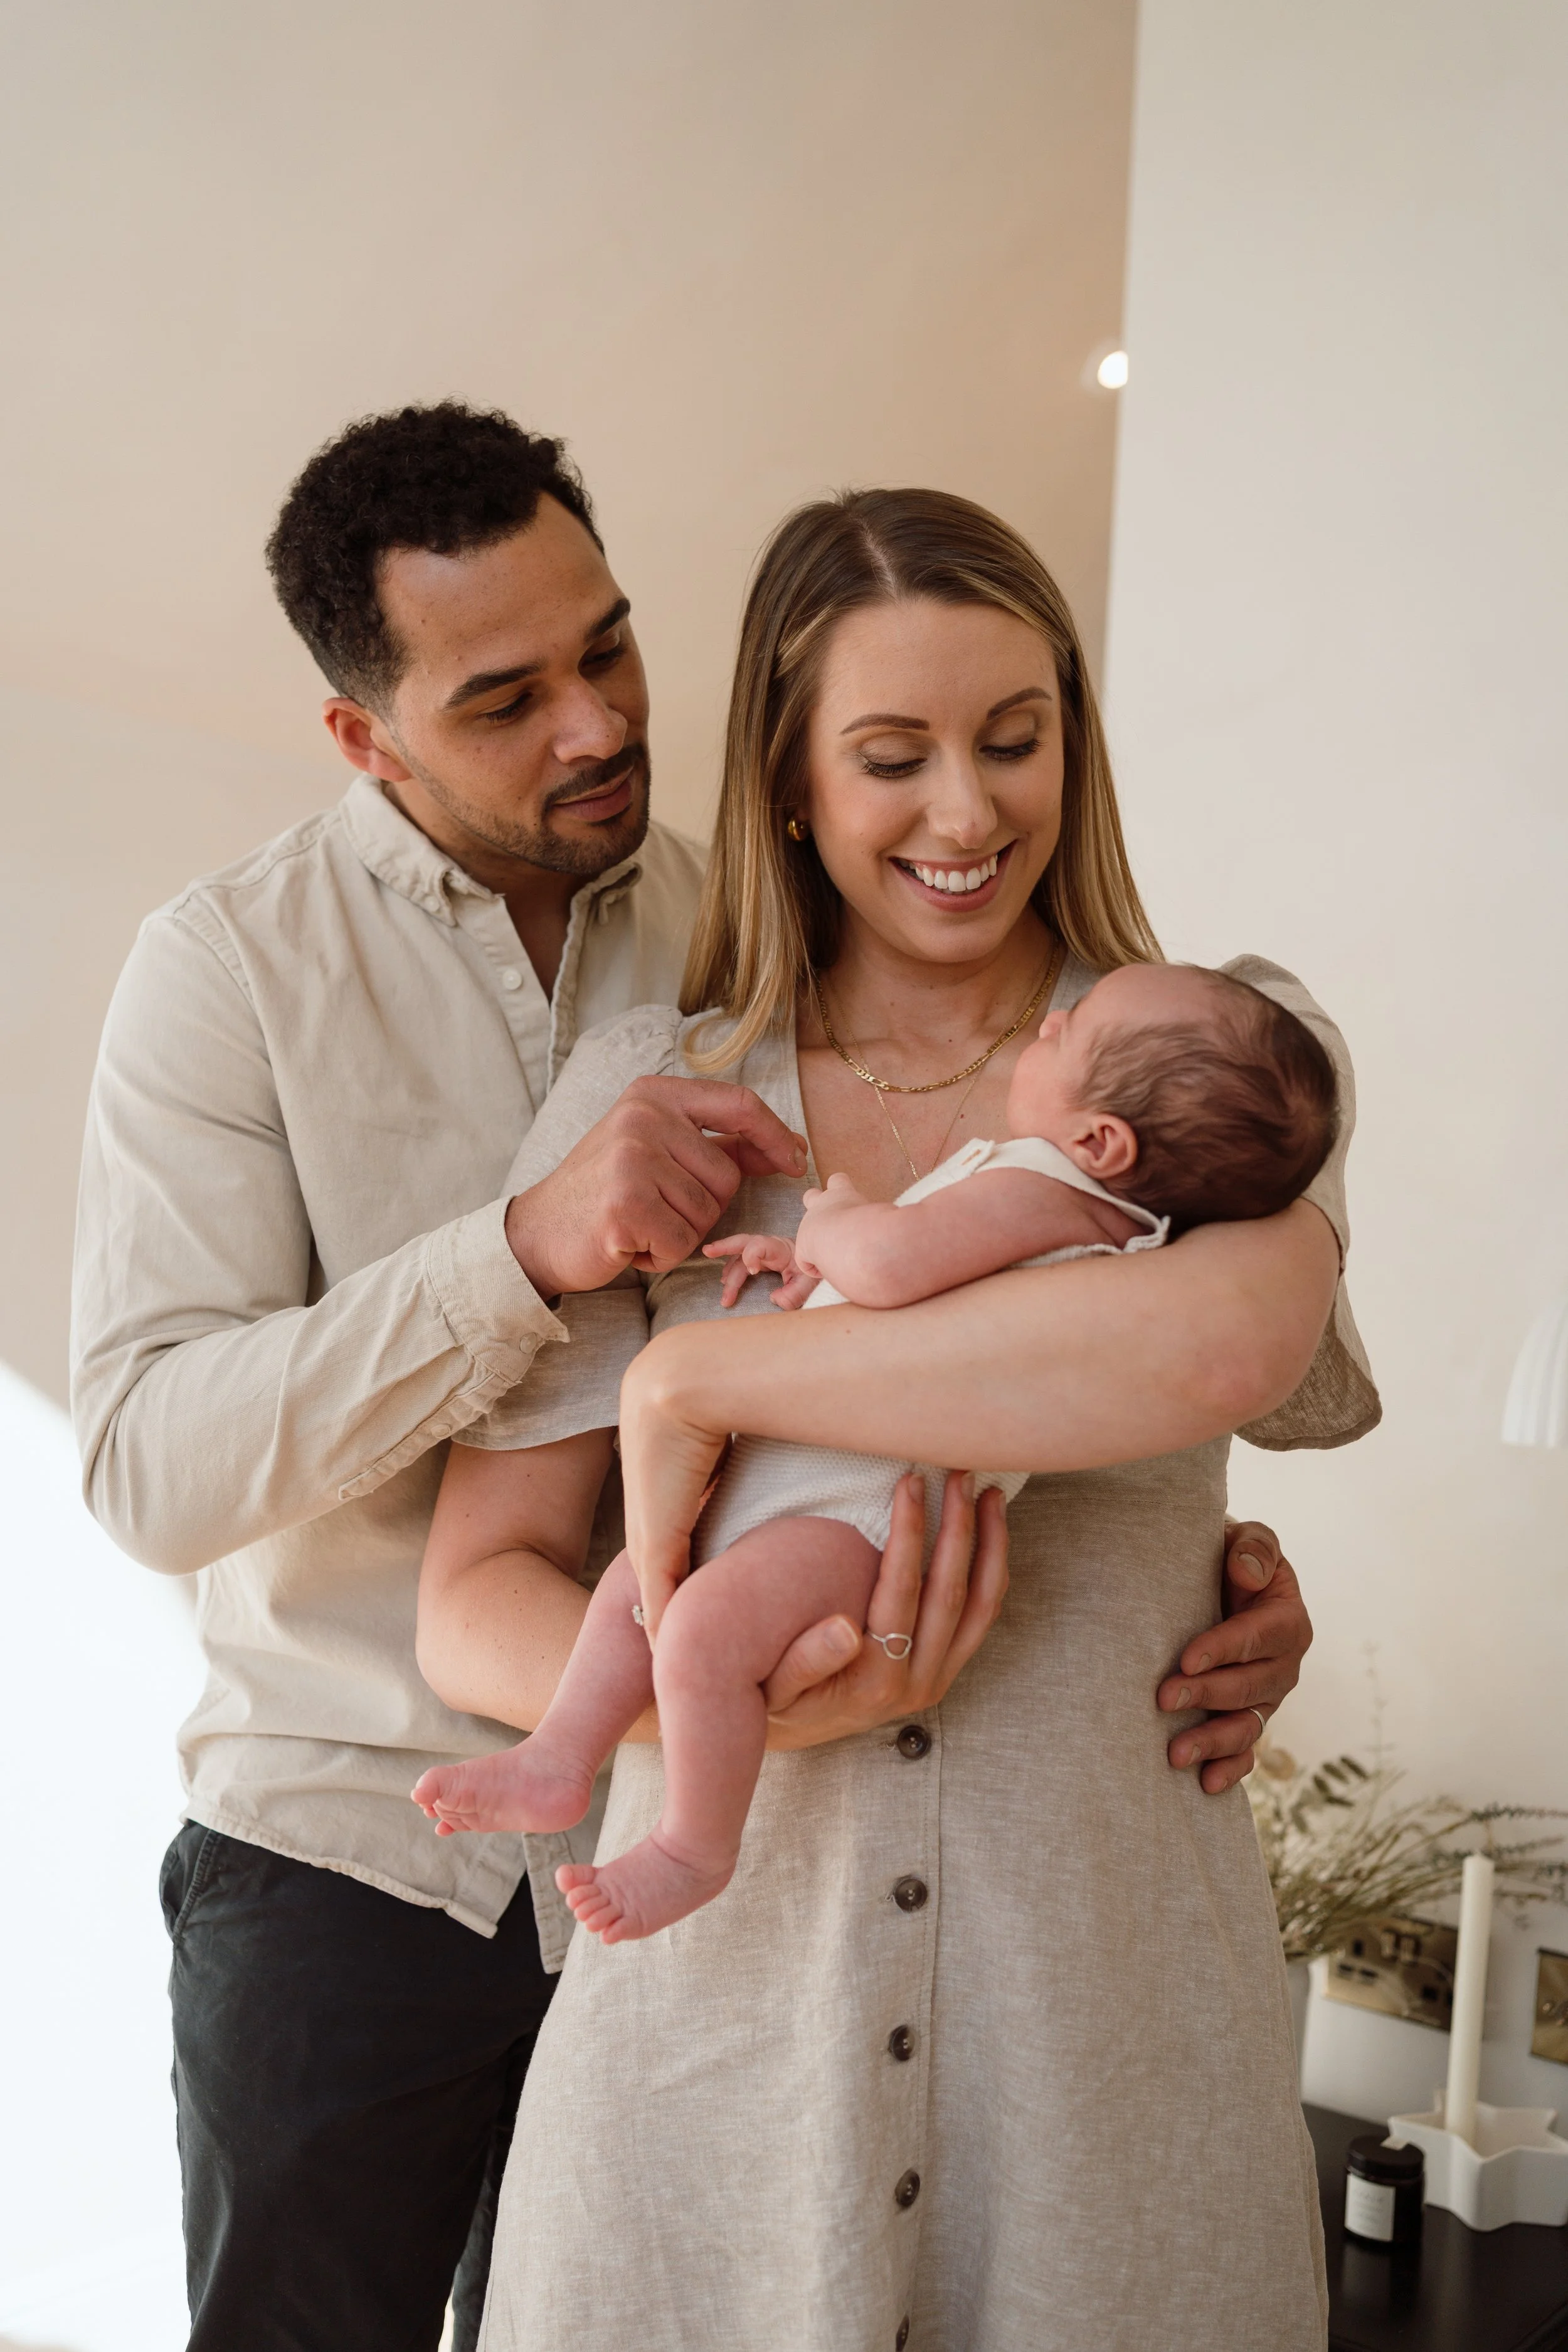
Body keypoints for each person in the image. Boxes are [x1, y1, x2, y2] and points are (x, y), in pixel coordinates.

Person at [69, 410, 1305, 2351]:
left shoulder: (1155, 1062)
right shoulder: (276, 980)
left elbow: (1252, 1350)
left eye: (608, 650)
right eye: (505, 695)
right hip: (369, 1840)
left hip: (922, 1939)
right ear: (366, 731)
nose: (588, 726)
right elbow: (171, 1470)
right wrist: (538, 1259)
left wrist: (1200, 1579)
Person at [415, 487, 1381, 2351]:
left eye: (1015, 741)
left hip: (1097, 2051)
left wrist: (703, 1372)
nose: (966, 811)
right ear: (786, 778)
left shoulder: (1211, 1074)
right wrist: (764, 1692)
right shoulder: (650, 1098)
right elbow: (479, 1588)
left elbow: (1223, 1351)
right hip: (714, 2062)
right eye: (891, 756)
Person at [411, 963, 1337, 1947]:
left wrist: (833, 1221)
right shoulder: (1049, 1189)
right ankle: (561, 1755)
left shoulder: (1049, 1185)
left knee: (700, 1625)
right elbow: (919, 1304)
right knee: (634, 1592)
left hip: (859, 1519)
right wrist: (809, 1272)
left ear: (1100, 1141)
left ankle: (692, 1846)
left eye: (1080, 1032)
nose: (1056, 1014)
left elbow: (894, 1263)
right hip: (812, 1494)